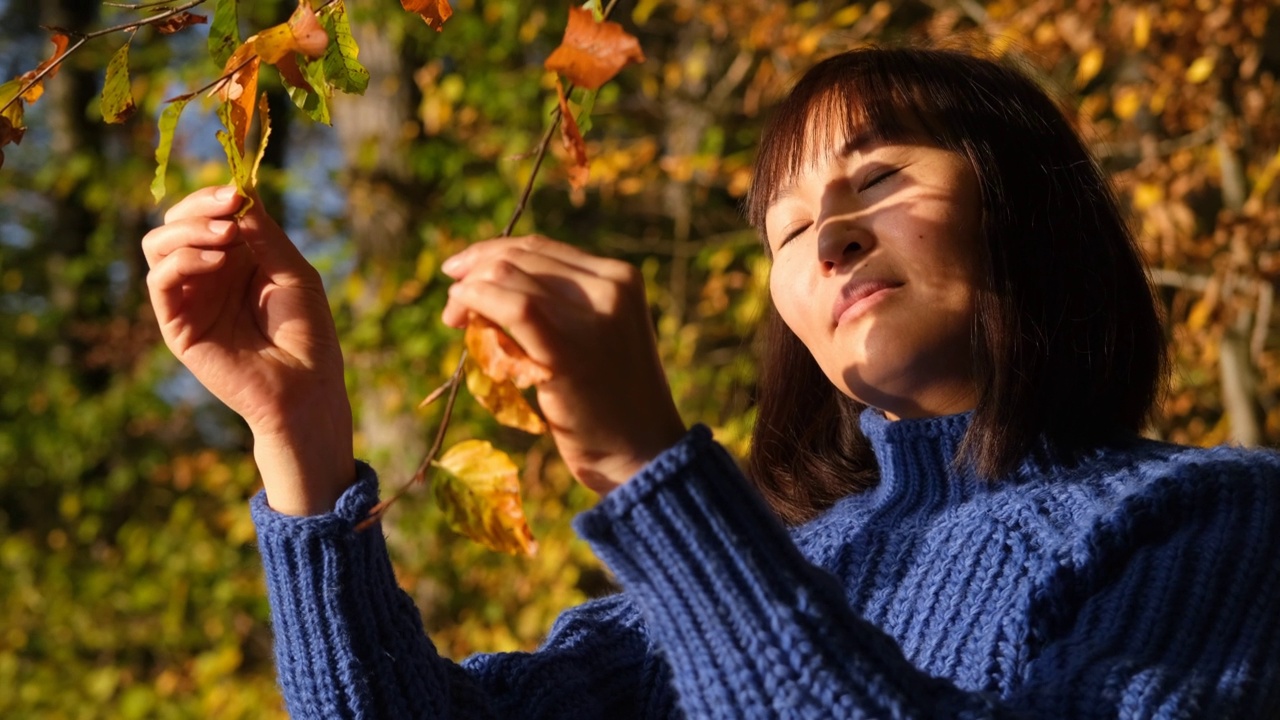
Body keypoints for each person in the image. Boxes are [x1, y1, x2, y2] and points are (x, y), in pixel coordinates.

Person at [142, 46, 1280, 718]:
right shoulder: (706, 593)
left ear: (1025, 206)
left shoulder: (1211, 521)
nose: (826, 237)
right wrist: (298, 436)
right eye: (784, 231)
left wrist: (650, 474)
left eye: (874, 177)